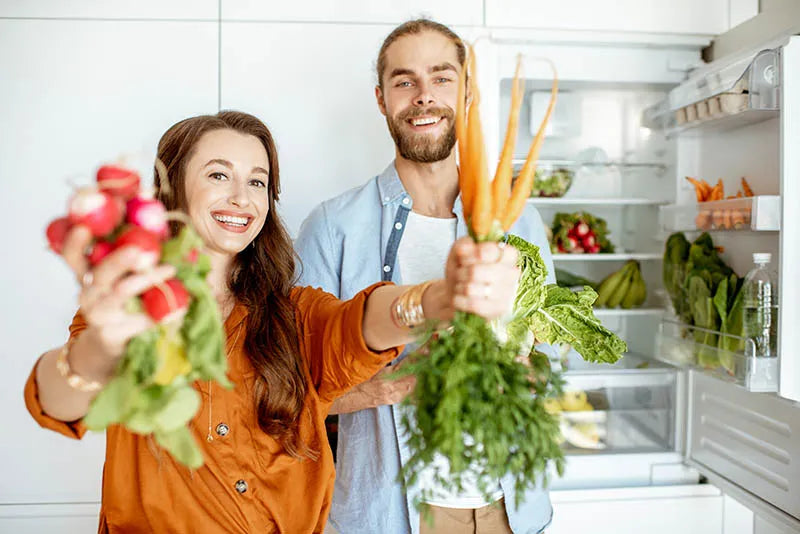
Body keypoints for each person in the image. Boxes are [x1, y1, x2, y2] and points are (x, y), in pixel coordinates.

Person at [24, 110, 522, 533]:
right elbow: (58, 402)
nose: (242, 197)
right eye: (219, 175)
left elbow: (360, 325)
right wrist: (104, 346)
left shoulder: (296, 315)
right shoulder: (129, 312)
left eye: (257, 182)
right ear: (171, 189)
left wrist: (434, 298)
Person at [295, 20, 557, 534]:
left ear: (467, 92)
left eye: (441, 79)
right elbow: (292, 385)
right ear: (381, 98)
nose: (424, 97)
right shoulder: (333, 227)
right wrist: (391, 383)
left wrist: (526, 367)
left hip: (510, 511)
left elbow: (550, 353)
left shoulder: (519, 220)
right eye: (404, 81)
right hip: (390, 515)